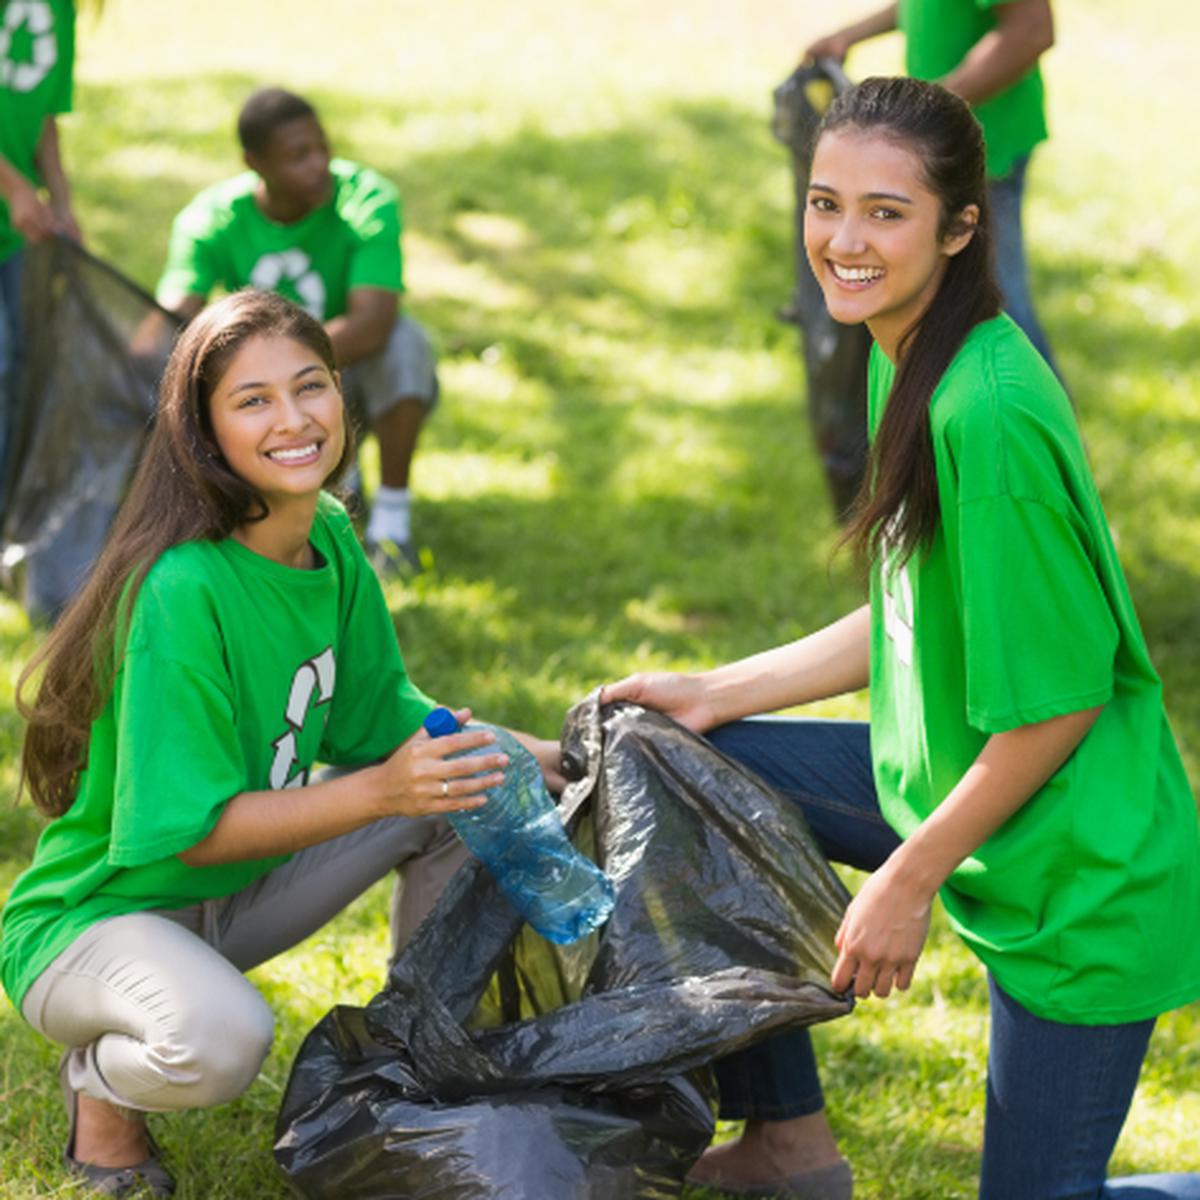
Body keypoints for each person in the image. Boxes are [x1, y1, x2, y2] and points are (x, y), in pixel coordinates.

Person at [604, 77, 1200, 1200]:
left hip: (1077, 871)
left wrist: (906, 880)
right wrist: (715, 692)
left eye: (886, 212)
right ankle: (786, 1140)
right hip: (952, 797)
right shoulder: (907, 346)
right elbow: (906, 603)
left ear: (962, 226)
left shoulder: (988, 411)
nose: (844, 240)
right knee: (678, 759)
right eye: (826, 204)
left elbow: (1059, 707)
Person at [0, 289, 561, 1197]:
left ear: (343, 393)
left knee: (465, 786)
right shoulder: (183, 587)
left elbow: (388, 719)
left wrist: (539, 747)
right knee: (221, 1042)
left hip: (233, 897)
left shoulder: (331, 537)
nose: (293, 419)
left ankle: (413, 1065)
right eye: (252, 400)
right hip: (97, 923)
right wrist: (384, 792)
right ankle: (100, 1093)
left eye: (310, 387)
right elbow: (196, 833)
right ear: (203, 430)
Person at [156, 86, 434, 574]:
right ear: (255, 162)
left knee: (405, 342)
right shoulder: (212, 219)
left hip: (348, 374)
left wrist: (290, 371)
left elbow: (372, 324)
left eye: (322, 147)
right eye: (298, 156)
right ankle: (316, 489)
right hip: (274, 397)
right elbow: (172, 318)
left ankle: (392, 524)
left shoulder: (365, 199)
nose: (319, 165)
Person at [804, 0, 1059, 374]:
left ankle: (1037, 424)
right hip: (925, 150)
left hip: (975, 150)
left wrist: (926, 117)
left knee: (995, 306)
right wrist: (851, 34)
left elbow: (1031, 31)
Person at [0, 0, 83, 483]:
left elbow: (45, 115)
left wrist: (61, 200)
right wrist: (15, 188)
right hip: (15, 202)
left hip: (16, 230)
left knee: (22, 370)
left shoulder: (62, 10)